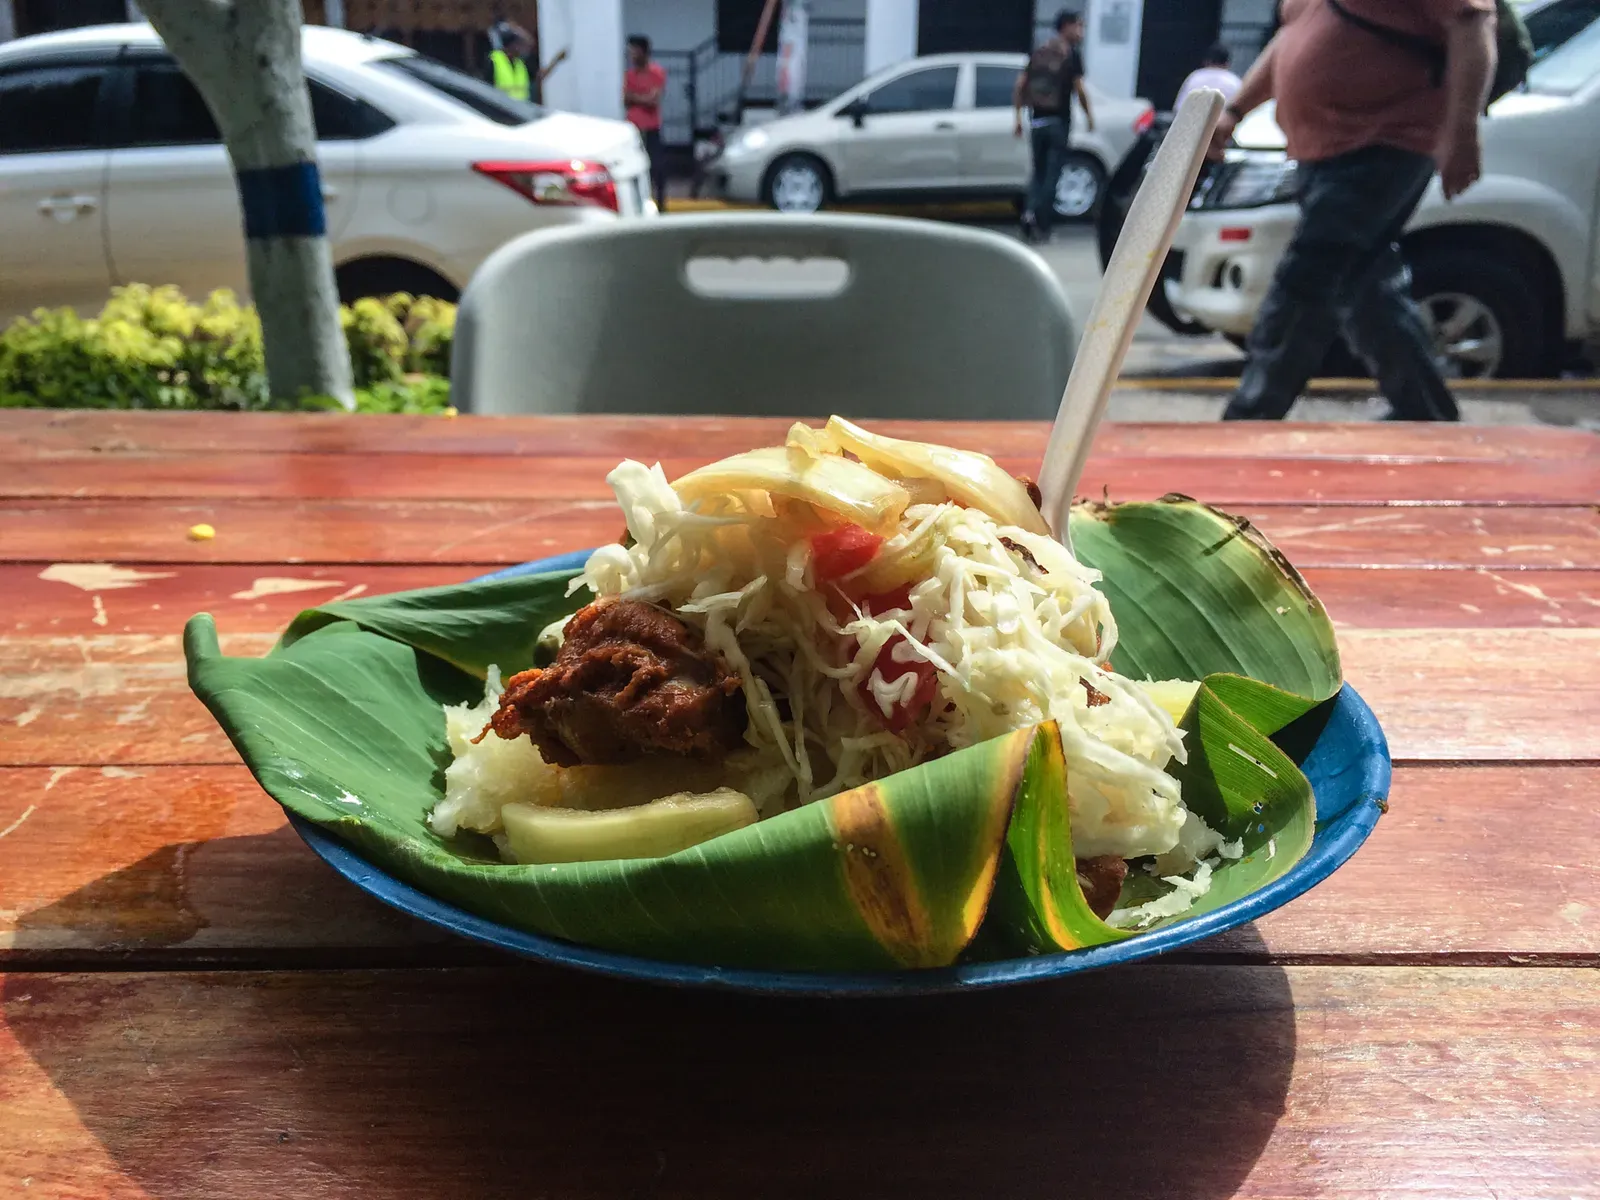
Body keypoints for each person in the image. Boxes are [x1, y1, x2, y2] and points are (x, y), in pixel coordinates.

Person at [1216, 0, 1497, 422]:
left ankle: (1249, 417)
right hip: (1320, 151)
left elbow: (1471, 23)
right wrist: (1235, 111)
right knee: (1366, 289)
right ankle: (1426, 413)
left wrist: (1463, 131)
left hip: (1384, 141)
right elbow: (1290, 37)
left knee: (1307, 278)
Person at [1013, 9, 1095, 244]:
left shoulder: (1039, 50)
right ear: (1066, 26)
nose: (1081, 32)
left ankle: (1028, 215)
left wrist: (1017, 118)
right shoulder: (1072, 54)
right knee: (1052, 176)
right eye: (1078, 26)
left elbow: (1020, 85)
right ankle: (1043, 227)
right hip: (1058, 123)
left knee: (1037, 173)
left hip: (1036, 122)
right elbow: (1080, 89)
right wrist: (1089, 116)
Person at [624, 34, 668, 212]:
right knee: (635, 167)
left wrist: (635, 98)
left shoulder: (656, 73)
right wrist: (643, 98)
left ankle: (661, 205)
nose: (631, 55)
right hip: (633, 129)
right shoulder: (629, 75)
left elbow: (653, 100)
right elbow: (625, 100)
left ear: (643, 52)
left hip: (651, 127)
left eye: (634, 51)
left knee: (657, 167)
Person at [488, 22, 567, 105]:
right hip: (501, 110)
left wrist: (556, 60)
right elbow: (486, 90)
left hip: (522, 110)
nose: (520, 47)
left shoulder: (521, 63)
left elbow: (540, 76)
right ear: (510, 46)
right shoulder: (494, 61)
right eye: (518, 44)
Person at [1175, 44, 1242, 109]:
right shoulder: (1234, 81)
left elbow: (1179, 107)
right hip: (1222, 116)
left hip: (1192, 116)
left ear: (1206, 61)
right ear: (1227, 63)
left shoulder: (1195, 77)